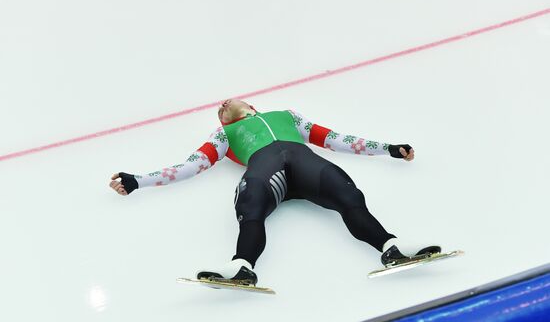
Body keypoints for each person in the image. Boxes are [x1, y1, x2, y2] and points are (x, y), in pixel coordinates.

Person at [109, 99, 440, 285]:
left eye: (225, 105)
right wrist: (139, 180)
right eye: (220, 112)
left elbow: (336, 139)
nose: (222, 106)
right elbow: (190, 166)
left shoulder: (288, 115)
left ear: (251, 105)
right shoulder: (223, 135)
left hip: (306, 164)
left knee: (349, 195)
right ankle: (242, 267)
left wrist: (388, 148)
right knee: (251, 207)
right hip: (266, 172)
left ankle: (391, 248)